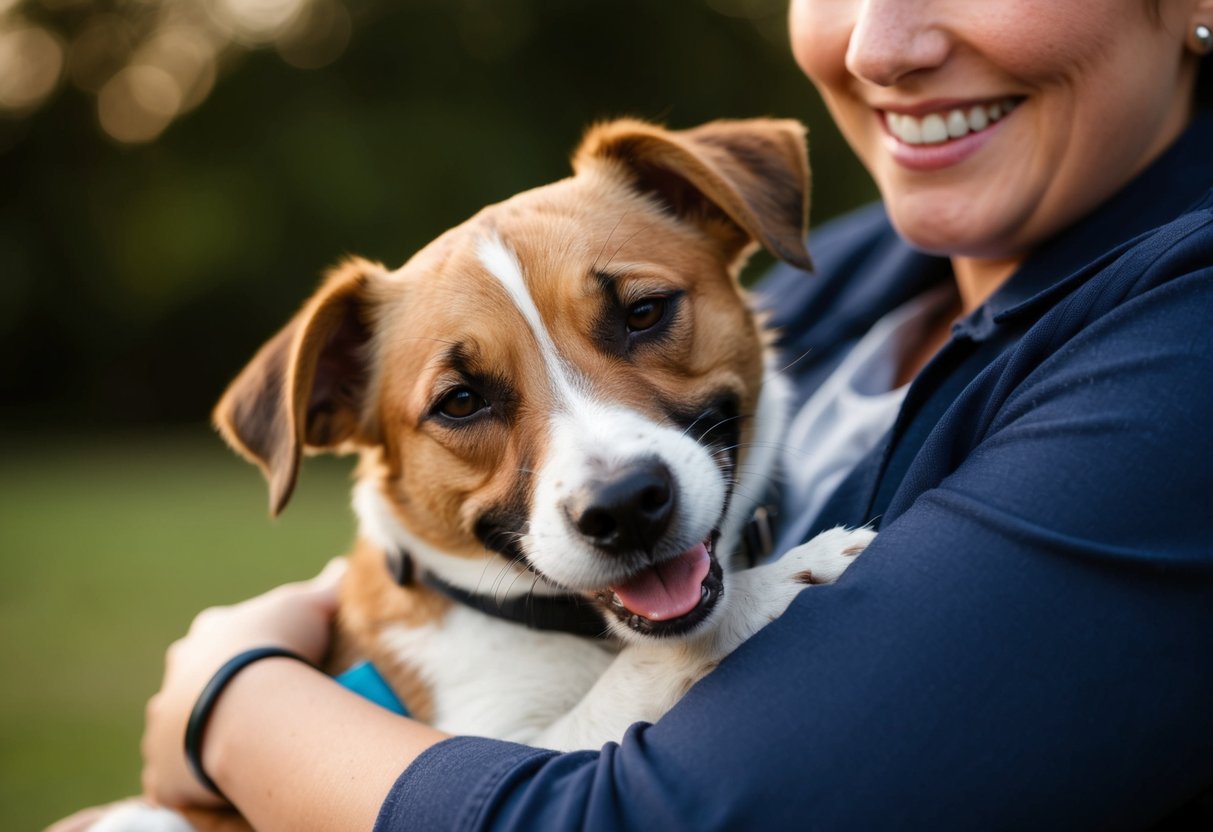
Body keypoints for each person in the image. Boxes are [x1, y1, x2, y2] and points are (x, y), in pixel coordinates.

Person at [62, 0, 1213, 829]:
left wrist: (233, 701)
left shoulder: (1175, 336)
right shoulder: (869, 268)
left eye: (640, 317)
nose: (881, 41)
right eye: (465, 401)